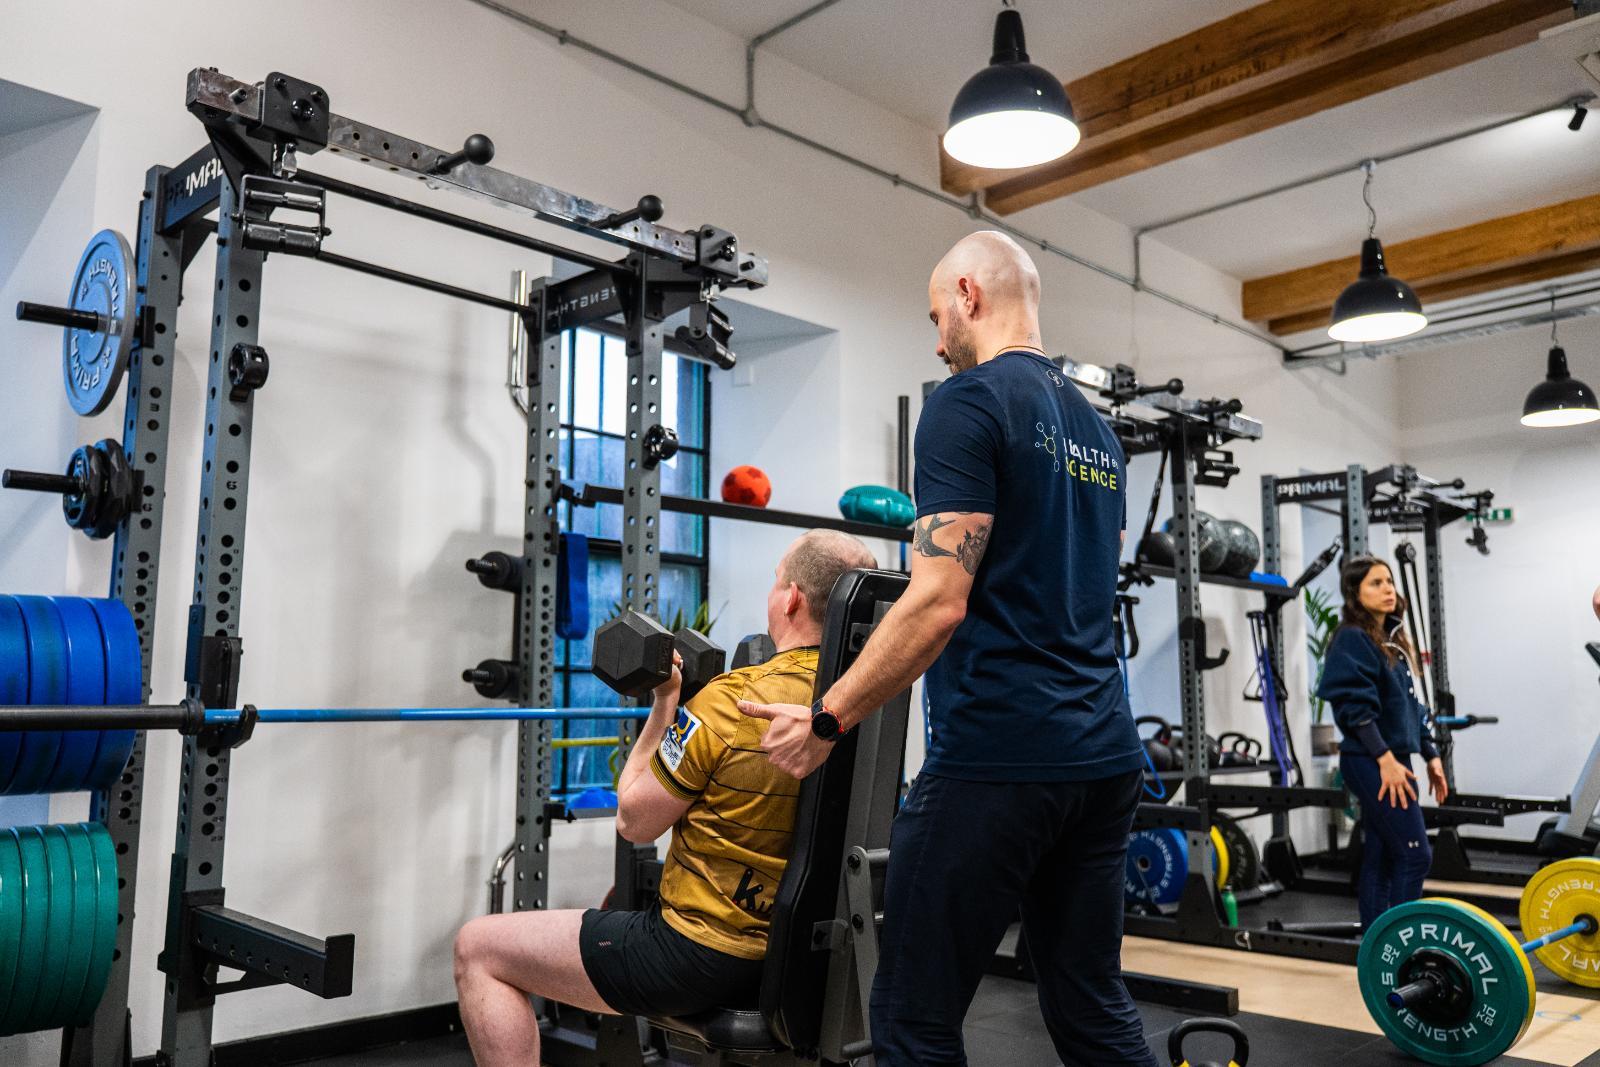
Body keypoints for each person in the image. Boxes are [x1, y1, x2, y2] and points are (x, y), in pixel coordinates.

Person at [739, 231, 1155, 1066]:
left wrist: (828, 719)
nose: (936, 339)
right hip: (1105, 756)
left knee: (913, 1020)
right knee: (1090, 1004)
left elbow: (936, 601)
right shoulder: (1100, 436)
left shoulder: (964, 403)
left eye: (936, 314)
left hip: (1000, 754)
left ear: (968, 293)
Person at [453, 530, 877, 1067]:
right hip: (811, 956)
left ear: (791, 597)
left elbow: (634, 820)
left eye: (775, 583)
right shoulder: (867, 702)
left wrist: (665, 705)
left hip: (700, 956)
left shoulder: (733, 702)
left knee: (478, 948)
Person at [1318, 554, 1449, 930]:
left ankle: (1377, 946)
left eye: (1389, 581)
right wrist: (1385, 758)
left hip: (1394, 759)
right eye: (1376, 583)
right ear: (1354, 593)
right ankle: (1402, 941)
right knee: (1414, 854)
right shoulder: (1352, 638)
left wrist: (1430, 754)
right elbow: (1354, 708)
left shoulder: (1390, 639)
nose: (1388, 589)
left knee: (1383, 853)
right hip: (1370, 759)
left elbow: (1411, 705)